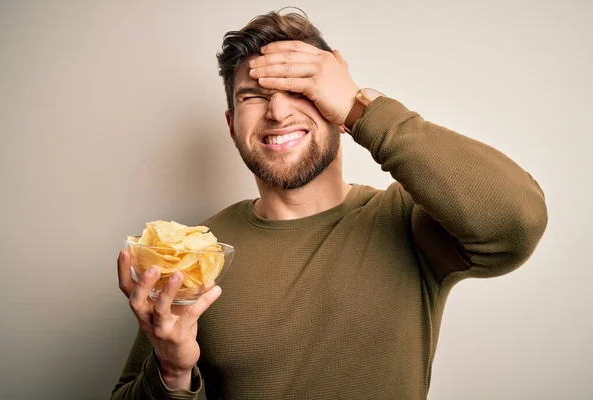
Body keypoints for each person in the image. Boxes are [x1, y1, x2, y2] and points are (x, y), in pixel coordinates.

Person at [112, 9, 548, 400]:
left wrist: (363, 111)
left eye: (300, 89)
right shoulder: (195, 254)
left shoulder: (407, 222)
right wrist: (172, 372)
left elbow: (518, 221)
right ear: (231, 125)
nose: (278, 112)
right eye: (253, 95)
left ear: (335, 105)